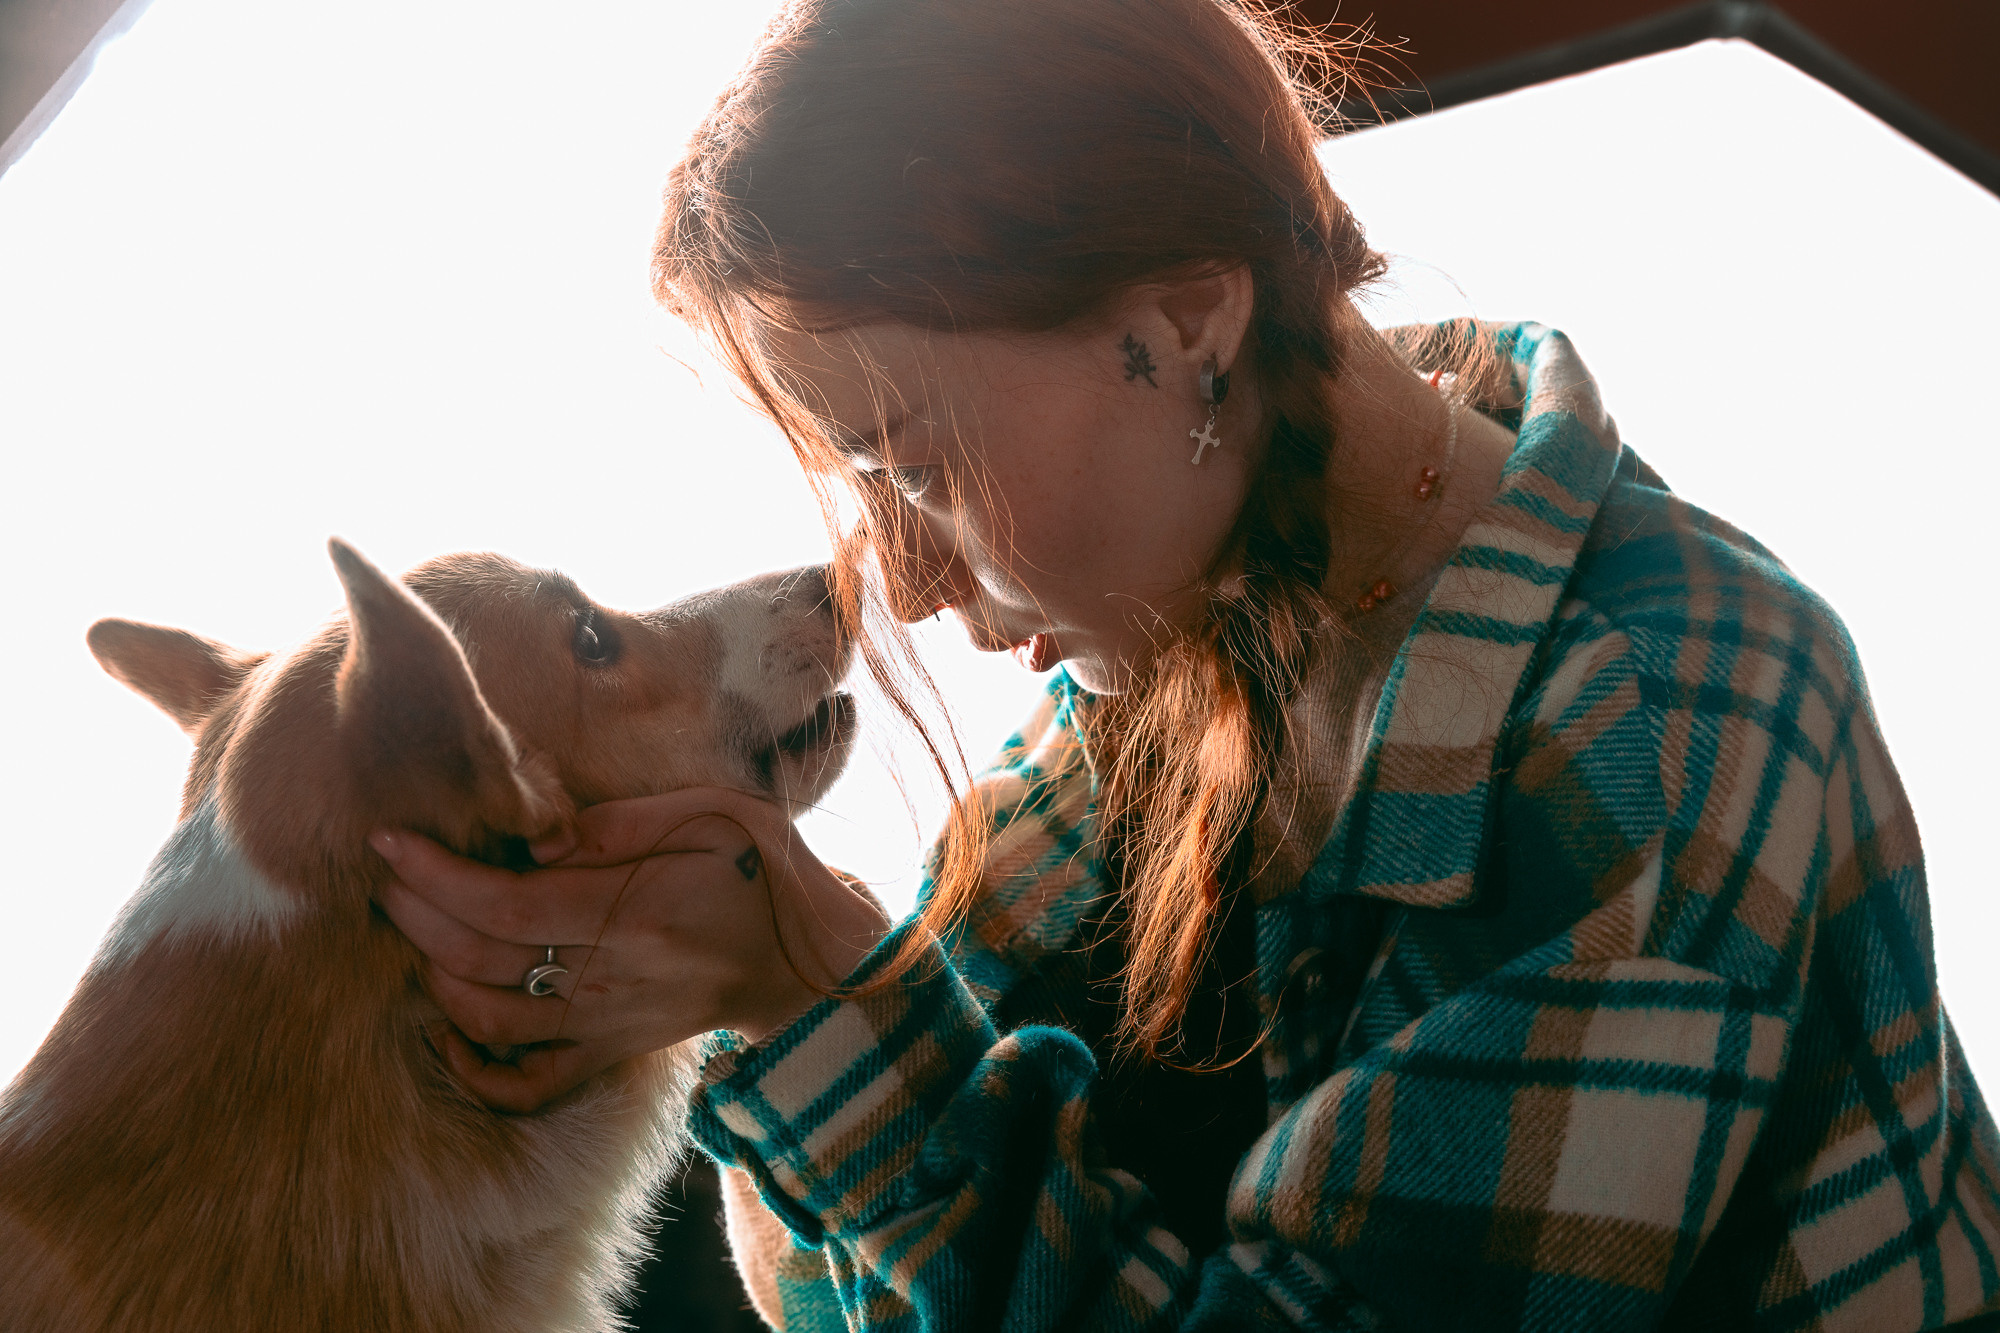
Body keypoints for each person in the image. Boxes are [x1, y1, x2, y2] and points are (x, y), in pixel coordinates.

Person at [369, 1, 2000, 1328]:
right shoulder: (1186, 630)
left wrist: (817, 999)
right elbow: (825, 1281)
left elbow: (892, 1153)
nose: (907, 588)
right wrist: (740, 964)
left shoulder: (1663, 744)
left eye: (917, 469)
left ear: (1181, 327)